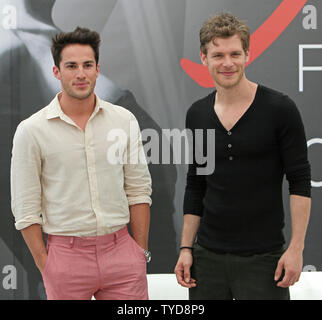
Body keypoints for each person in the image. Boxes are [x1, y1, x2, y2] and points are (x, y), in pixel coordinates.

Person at [174, 13, 311, 300]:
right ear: (204, 58)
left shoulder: (280, 109)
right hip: (207, 259)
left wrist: (296, 248)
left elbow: (299, 181)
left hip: (264, 260)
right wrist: (187, 248)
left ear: (248, 54)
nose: (227, 63)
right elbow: (196, 184)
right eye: (218, 55)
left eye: (235, 53)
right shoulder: (197, 114)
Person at [11, 27, 152, 300]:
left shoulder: (124, 120)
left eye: (87, 65)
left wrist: (139, 251)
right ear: (56, 72)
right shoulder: (31, 130)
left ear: (97, 69)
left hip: (122, 253)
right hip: (65, 258)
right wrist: (46, 264)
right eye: (71, 66)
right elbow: (26, 209)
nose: (80, 74)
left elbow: (138, 190)